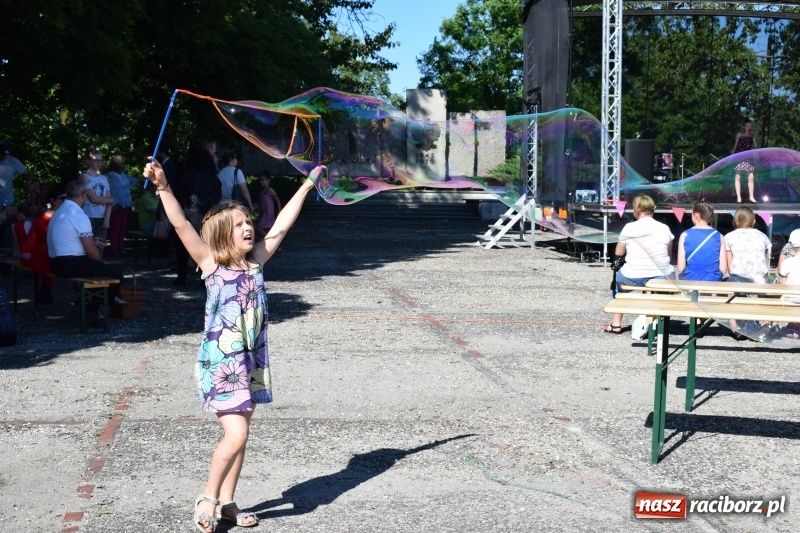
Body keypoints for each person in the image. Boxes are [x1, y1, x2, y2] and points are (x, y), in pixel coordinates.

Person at [143, 158, 325, 533]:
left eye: (248, 222)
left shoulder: (256, 261)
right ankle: (207, 497)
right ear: (223, 234)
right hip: (222, 361)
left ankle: (228, 502)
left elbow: (282, 224)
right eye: (239, 224)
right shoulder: (210, 264)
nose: (248, 228)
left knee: (241, 435)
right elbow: (180, 223)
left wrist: (307, 185)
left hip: (252, 359)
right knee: (236, 433)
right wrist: (163, 186)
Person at [47, 180, 125, 327]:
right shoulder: (78, 214)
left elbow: (69, 239)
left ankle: (97, 305)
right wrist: (101, 262)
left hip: (56, 263)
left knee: (97, 270)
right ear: (83, 195)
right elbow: (91, 251)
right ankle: (94, 309)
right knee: (115, 275)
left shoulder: (60, 212)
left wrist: (92, 245)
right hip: (69, 264)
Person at [605, 194, 674, 335]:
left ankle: (616, 324)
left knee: (618, 288)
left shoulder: (629, 227)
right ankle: (654, 323)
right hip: (660, 276)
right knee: (654, 285)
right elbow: (669, 255)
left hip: (633, 275)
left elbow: (618, 252)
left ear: (637, 210)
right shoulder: (664, 228)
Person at [174, 141, 221, 285]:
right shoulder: (212, 175)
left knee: (182, 246)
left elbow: (178, 192)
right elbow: (218, 193)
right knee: (207, 245)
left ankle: (182, 276)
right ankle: (205, 276)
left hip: (189, 212)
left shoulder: (187, 173)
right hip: (208, 213)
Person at [725, 205, 772, 339]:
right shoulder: (763, 236)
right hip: (760, 279)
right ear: (754, 221)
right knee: (764, 298)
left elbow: (729, 267)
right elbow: (766, 262)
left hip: (739, 278)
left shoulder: (729, 236)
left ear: (736, 220)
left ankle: (735, 327)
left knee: (730, 297)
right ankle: (766, 323)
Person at [29, 184, 66, 304]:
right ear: (53, 201)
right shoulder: (52, 219)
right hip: (44, 258)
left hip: (38, 257)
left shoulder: (46, 216)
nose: (67, 202)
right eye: (63, 199)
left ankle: (46, 289)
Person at [677, 202, 727, 281]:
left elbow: (681, 268)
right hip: (713, 280)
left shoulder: (684, 235)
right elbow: (723, 269)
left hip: (690, 279)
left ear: (696, 215)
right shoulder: (719, 236)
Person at [0, 140, 35, 248]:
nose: (2, 157)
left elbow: (28, 173)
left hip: (7, 201)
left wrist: (28, 183)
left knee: (6, 231)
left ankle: (5, 260)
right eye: (1, 155)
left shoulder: (12, 161)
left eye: (4, 155)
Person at [80, 148, 114, 257]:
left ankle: (99, 270)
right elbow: (94, 198)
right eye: (95, 160)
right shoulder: (84, 177)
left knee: (100, 248)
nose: (98, 163)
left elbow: (109, 201)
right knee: (88, 248)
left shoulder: (103, 178)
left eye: (100, 160)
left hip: (102, 218)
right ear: (88, 161)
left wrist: (107, 219)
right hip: (88, 217)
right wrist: (110, 200)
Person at [107, 153, 138, 257]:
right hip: (116, 206)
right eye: (121, 163)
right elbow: (110, 190)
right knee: (114, 228)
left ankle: (121, 248)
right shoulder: (111, 176)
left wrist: (141, 180)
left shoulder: (123, 174)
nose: (123, 165)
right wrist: (114, 203)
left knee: (122, 228)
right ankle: (113, 250)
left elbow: (130, 181)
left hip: (124, 206)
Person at [777, 229, 800, 339]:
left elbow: (783, 286)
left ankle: (792, 327)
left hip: (791, 297)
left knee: (784, 297)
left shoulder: (787, 262)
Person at [731, 119, 758, 204]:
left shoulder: (752, 136)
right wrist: (732, 156)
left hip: (748, 158)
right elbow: (735, 145)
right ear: (744, 127)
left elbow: (756, 146)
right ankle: (739, 197)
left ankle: (751, 197)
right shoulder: (739, 134)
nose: (748, 128)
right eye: (747, 126)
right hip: (739, 157)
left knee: (751, 177)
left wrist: (754, 138)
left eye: (750, 126)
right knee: (738, 177)